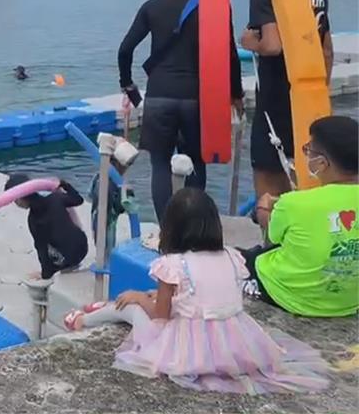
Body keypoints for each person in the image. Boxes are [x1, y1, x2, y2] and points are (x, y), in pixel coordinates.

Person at [65, 188, 328, 394]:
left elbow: (161, 316)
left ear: (171, 228)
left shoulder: (172, 265)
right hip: (235, 341)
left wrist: (140, 298)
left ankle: (82, 320)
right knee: (145, 296)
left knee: (130, 306)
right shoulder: (231, 256)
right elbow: (204, 292)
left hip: (188, 347)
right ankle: (96, 312)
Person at [117, 0, 245, 220]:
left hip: (159, 95)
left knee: (160, 164)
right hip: (198, 98)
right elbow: (229, 53)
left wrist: (128, 86)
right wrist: (235, 93)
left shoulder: (153, 5)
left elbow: (125, 49)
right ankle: (193, 227)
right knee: (195, 161)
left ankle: (167, 230)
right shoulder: (218, 6)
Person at [240, 0, 333, 199]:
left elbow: (272, 45)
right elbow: (327, 48)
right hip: (310, 99)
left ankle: (272, 239)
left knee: (269, 179)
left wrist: (248, 42)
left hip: (275, 98)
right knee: (307, 172)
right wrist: (321, 91)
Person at [239, 115, 359, 317]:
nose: (306, 156)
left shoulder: (293, 203)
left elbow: (274, 238)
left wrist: (263, 211)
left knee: (232, 260)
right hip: (349, 303)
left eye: (308, 150)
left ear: (321, 163)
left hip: (292, 297)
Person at [6, 174, 87, 280]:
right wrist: (64, 184)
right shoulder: (55, 198)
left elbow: (42, 251)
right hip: (82, 247)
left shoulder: (34, 220)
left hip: (67, 259)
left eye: (14, 200)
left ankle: (64, 269)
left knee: (48, 248)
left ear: (20, 199)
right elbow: (78, 199)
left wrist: (45, 275)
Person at [88, 138, 139, 259]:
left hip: (98, 216)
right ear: (117, 164)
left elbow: (89, 193)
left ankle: (103, 257)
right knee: (107, 243)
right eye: (126, 166)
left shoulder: (99, 176)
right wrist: (126, 195)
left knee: (101, 239)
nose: (127, 169)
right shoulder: (110, 184)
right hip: (107, 221)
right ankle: (105, 261)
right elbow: (117, 206)